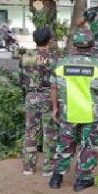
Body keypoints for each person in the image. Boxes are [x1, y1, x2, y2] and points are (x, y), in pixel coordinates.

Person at [48, 29, 98, 192]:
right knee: (88, 145)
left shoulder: (61, 64)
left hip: (68, 112)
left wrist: (55, 107)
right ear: (92, 45)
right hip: (91, 114)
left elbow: (54, 87)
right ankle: (82, 180)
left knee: (64, 145)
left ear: (75, 45)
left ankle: (56, 178)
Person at [20, 27, 58, 176]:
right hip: (48, 97)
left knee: (30, 132)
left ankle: (28, 167)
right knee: (50, 133)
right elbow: (57, 82)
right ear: (49, 40)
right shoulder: (53, 58)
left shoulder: (25, 57)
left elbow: (21, 79)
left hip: (30, 97)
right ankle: (48, 168)